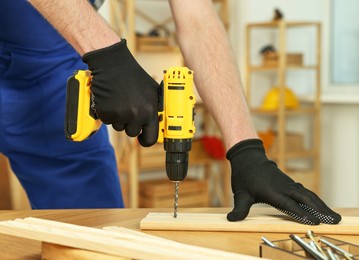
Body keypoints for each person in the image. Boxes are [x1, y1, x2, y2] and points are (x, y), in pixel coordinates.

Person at [15, 0, 340, 225]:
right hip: (63, 39)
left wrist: (247, 150)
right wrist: (106, 51)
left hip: (51, 60)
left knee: (93, 231)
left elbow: (197, 20)